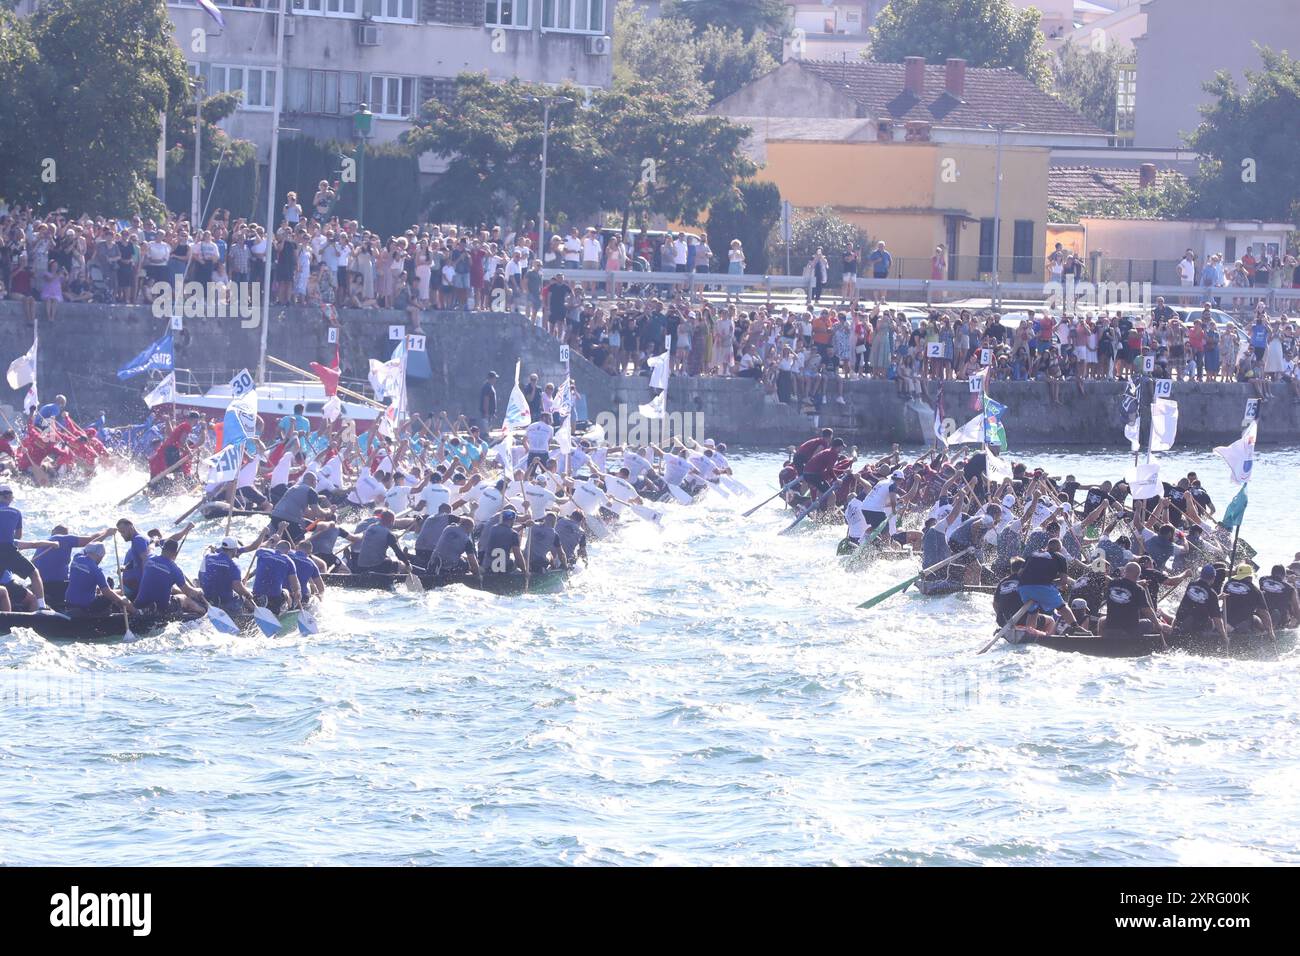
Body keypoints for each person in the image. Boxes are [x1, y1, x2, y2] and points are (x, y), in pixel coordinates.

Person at [0, 485, 53, 610]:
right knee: (34, 573)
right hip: (8, 550)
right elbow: (18, 536)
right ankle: (41, 606)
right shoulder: (16, 512)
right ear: (9, 497)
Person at [1017, 538, 1081, 632]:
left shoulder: (1033, 554)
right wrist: (1060, 586)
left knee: (1033, 612)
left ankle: (1029, 632)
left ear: (1048, 546)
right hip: (1042, 587)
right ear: (1059, 548)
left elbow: (1019, 573)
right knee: (1062, 607)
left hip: (1023, 588)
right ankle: (1076, 628)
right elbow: (1064, 581)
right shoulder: (1060, 557)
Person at [134, 539, 207, 615]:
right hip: (161, 608)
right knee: (185, 599)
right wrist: (198, 590)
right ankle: (204, 612)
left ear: (162, 549)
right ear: (175, 553)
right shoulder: (175, 569)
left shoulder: (149, 559)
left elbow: (150, 549)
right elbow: (188, 592)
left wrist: (154, 542)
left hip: (139, 604)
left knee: (170, 588)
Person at [1100, 561, 1162, 639]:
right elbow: (1146, 610)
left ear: (1124, 572)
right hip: (1130, 629)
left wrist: (1139, 583)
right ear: (1138, 575)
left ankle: (1102, 642)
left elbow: (1111, 579)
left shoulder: (1112, 583)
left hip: (1111, 626)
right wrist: (1157, 625)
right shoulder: (1138, 589)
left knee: (1101, 620)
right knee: (1151, 623)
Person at [1173, 564, 1228, 646]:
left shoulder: (1191, 584)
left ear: (1201, 575)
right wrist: (1224, 637)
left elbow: (1198, 599)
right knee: (1213, 623)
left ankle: (1175, 629)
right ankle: (1206, 639)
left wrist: (1217, 597)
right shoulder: (1212, 593)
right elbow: (1217, 619)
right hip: (1196, 627)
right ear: (1213, 578)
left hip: (1181, 622)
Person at [198, 536, 257, 614]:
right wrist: (248, 594)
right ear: (234, 550)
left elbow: (200, 575)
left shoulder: (207, 557)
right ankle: (251, 613)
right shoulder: (234, 566)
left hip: (207, 597)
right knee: (243, 595)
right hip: (225, 601)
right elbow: (237, 587)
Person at [268, 471, 331, 543]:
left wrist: (323, 510)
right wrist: (328, 511)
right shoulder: (311, 491)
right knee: (300, 543)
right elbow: (318, 513)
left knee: (276, 540)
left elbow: (307, 513)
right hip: (289, 520)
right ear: (313, 481)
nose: (317, 483)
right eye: (317, 481)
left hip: (275, 516)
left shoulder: (293, 488)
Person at [1222, 564, 1274, 638]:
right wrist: (1271, 632)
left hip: (1225, 621)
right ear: (1250, 577)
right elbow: (1263, 612)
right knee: (1256, 618)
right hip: (1241, 625)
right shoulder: (1255, 590)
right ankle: (1263, 635)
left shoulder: (1227, 584)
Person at [478, 510, 528, 576]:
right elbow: (517, 555)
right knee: (513, 562)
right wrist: (525, 571)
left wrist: (523, 525)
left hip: (488, 567)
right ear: (512, 520)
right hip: (504, 568)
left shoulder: (492, 529)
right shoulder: (513, 534)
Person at [1259, 564, 1300, 628]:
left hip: (1264, 614)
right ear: (1284, 575)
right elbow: (1296, 608)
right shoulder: (1290, 588)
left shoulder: (1262, 580)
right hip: (1281, 619)